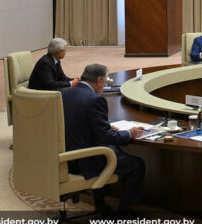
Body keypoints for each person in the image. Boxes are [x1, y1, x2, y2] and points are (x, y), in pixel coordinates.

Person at [62, 64, 145, 216]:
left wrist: (104, 126)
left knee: (113, 151)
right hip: (86, 159)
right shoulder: (95, 99)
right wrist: (129, 134)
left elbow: (77, 122)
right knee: (136, 165)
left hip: (66, 157)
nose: (104, 85)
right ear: (100, 81)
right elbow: (105, 137)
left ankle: (100, 204)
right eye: (105, 81)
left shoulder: (65, 94)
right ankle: (125, 213)